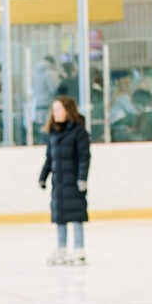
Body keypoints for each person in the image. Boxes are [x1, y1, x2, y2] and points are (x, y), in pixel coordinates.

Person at [39, 97, 91, 265]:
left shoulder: (78, 131)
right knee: (60, 215)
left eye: (59, 109)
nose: (55, 113)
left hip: (74, 181)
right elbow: (49, 158)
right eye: (53, 110)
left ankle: (79, 249)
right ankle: (61, 248)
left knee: (76, 215)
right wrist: (43, 176)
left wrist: (82, 178)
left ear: (68, 110)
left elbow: (84, 157)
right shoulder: (53, 132)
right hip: (59, 182)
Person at [32, 55, 62, 130]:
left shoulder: (36, 73)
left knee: (41, 128)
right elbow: (55, 89)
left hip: (38, 104)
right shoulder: (50, 73)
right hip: (48, 104)